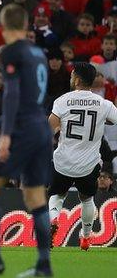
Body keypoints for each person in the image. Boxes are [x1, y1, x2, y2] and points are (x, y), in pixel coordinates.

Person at [0, 4, 53, 277]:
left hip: (22, 131)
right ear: (26, 25)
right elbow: (31, 97)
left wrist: (4, 136)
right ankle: (43, 265)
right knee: (35, 196)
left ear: (3, 27)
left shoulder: (11, 52)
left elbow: (13, 94)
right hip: (41, 129)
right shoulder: (38, 53)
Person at [47, 63, 117, 251]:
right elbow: (113, 119)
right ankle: (86, 237)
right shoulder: (104, 104)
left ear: (77, 79)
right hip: (88, 165)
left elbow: (49, 126)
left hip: (63, 162)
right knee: (86, 199)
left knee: (56, 195)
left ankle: (53, 218)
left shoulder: (62, 101)